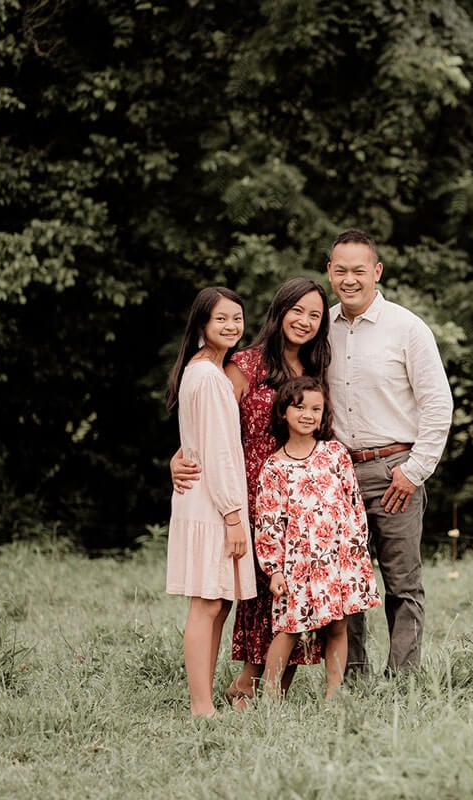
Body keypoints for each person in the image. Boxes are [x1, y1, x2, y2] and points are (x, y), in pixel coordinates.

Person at [171, 278, 332, 707]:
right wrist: (179, 456)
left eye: (315, 314)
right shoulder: (244, 364)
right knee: (255, 596)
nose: (304, 321)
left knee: (294, 590)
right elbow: (213, 426)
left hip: (300, 494)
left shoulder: (317, 368)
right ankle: (246, 682)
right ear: (279, 311)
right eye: (297, 310)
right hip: (247, 491)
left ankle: (270, 686)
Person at [326, 228, 453, 676]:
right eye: (340, 270)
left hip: (395, 470)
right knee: (347, 584)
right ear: (329, 272)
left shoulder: (407, 328)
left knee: (402, 583)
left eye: (359, 270)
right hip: (337, 475)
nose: (349, 279)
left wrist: (414, 471)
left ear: (376, 272)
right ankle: (353, 676)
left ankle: (403, 678)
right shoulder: (320, 327)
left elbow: (438, 405)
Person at [254, 376, 380, 698]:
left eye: (316, 408)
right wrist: (275, 569)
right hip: (297, 564)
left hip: (337, 559)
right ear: (284, 412)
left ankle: (333, 695)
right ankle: (269, 698)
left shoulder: (335, 454)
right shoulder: (274, 467)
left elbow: (353, 504)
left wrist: (356, 551)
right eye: (300, 407)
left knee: (338, 626)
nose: (308, 414)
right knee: (289, 629)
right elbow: (268, 522)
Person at [164, 286, 257, 717]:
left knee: (217, 603)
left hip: (206, 501)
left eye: (237, 318)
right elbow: (219, 452)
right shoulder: (207, 377)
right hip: (211, 505)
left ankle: (204, 700)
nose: (231, 326)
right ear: (202, 324)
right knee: (207, 604)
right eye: (221, 318)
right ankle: (201, 705)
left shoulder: (205, 372)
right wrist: (234, 516)